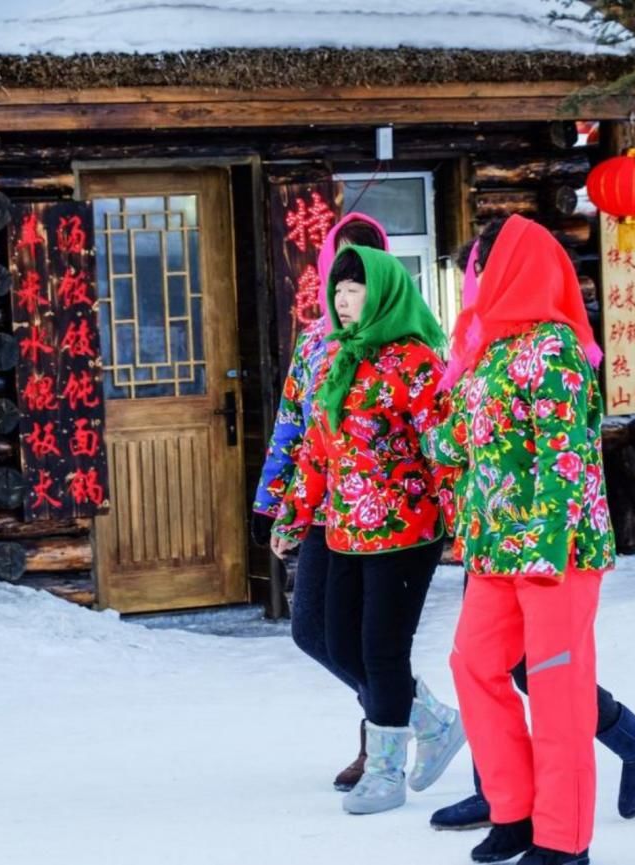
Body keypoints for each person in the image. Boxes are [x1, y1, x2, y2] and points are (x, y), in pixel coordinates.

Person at [429, 229, 635, 846]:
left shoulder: (554, 348)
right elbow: (459, 441)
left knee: (557, 689)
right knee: (475, 664)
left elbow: (566, 458)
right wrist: (426, 422)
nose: (472, 286)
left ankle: (563, 841)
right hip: (493, 548)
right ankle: (512, 810)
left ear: (514, 270)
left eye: (479, 271)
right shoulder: (488, 352)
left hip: (553, 552)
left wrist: (543, 549)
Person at [271, 245, 463, 815]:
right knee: (334, 640)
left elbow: (444, 451)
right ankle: (431, 720)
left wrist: (463, 524)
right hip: (345, 530)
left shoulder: (416, 361)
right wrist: (293, 514)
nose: (343, 299)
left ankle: (384, 773)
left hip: (408, 531)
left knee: (382, 649)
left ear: (382, 292)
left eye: (355, 289)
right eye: (338, 289)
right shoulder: (337, 358)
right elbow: (316, 449)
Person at [251, 213, 393, 792]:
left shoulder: (403, 340)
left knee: (365, 636)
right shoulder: (313, 342)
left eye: (365, 267)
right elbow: (292, 425)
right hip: (321, 508)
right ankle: (411, 707)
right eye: (343, 268)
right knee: (311, 630)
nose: (350, 284)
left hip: (386, 517)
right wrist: (270, 503)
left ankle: (380, 737)